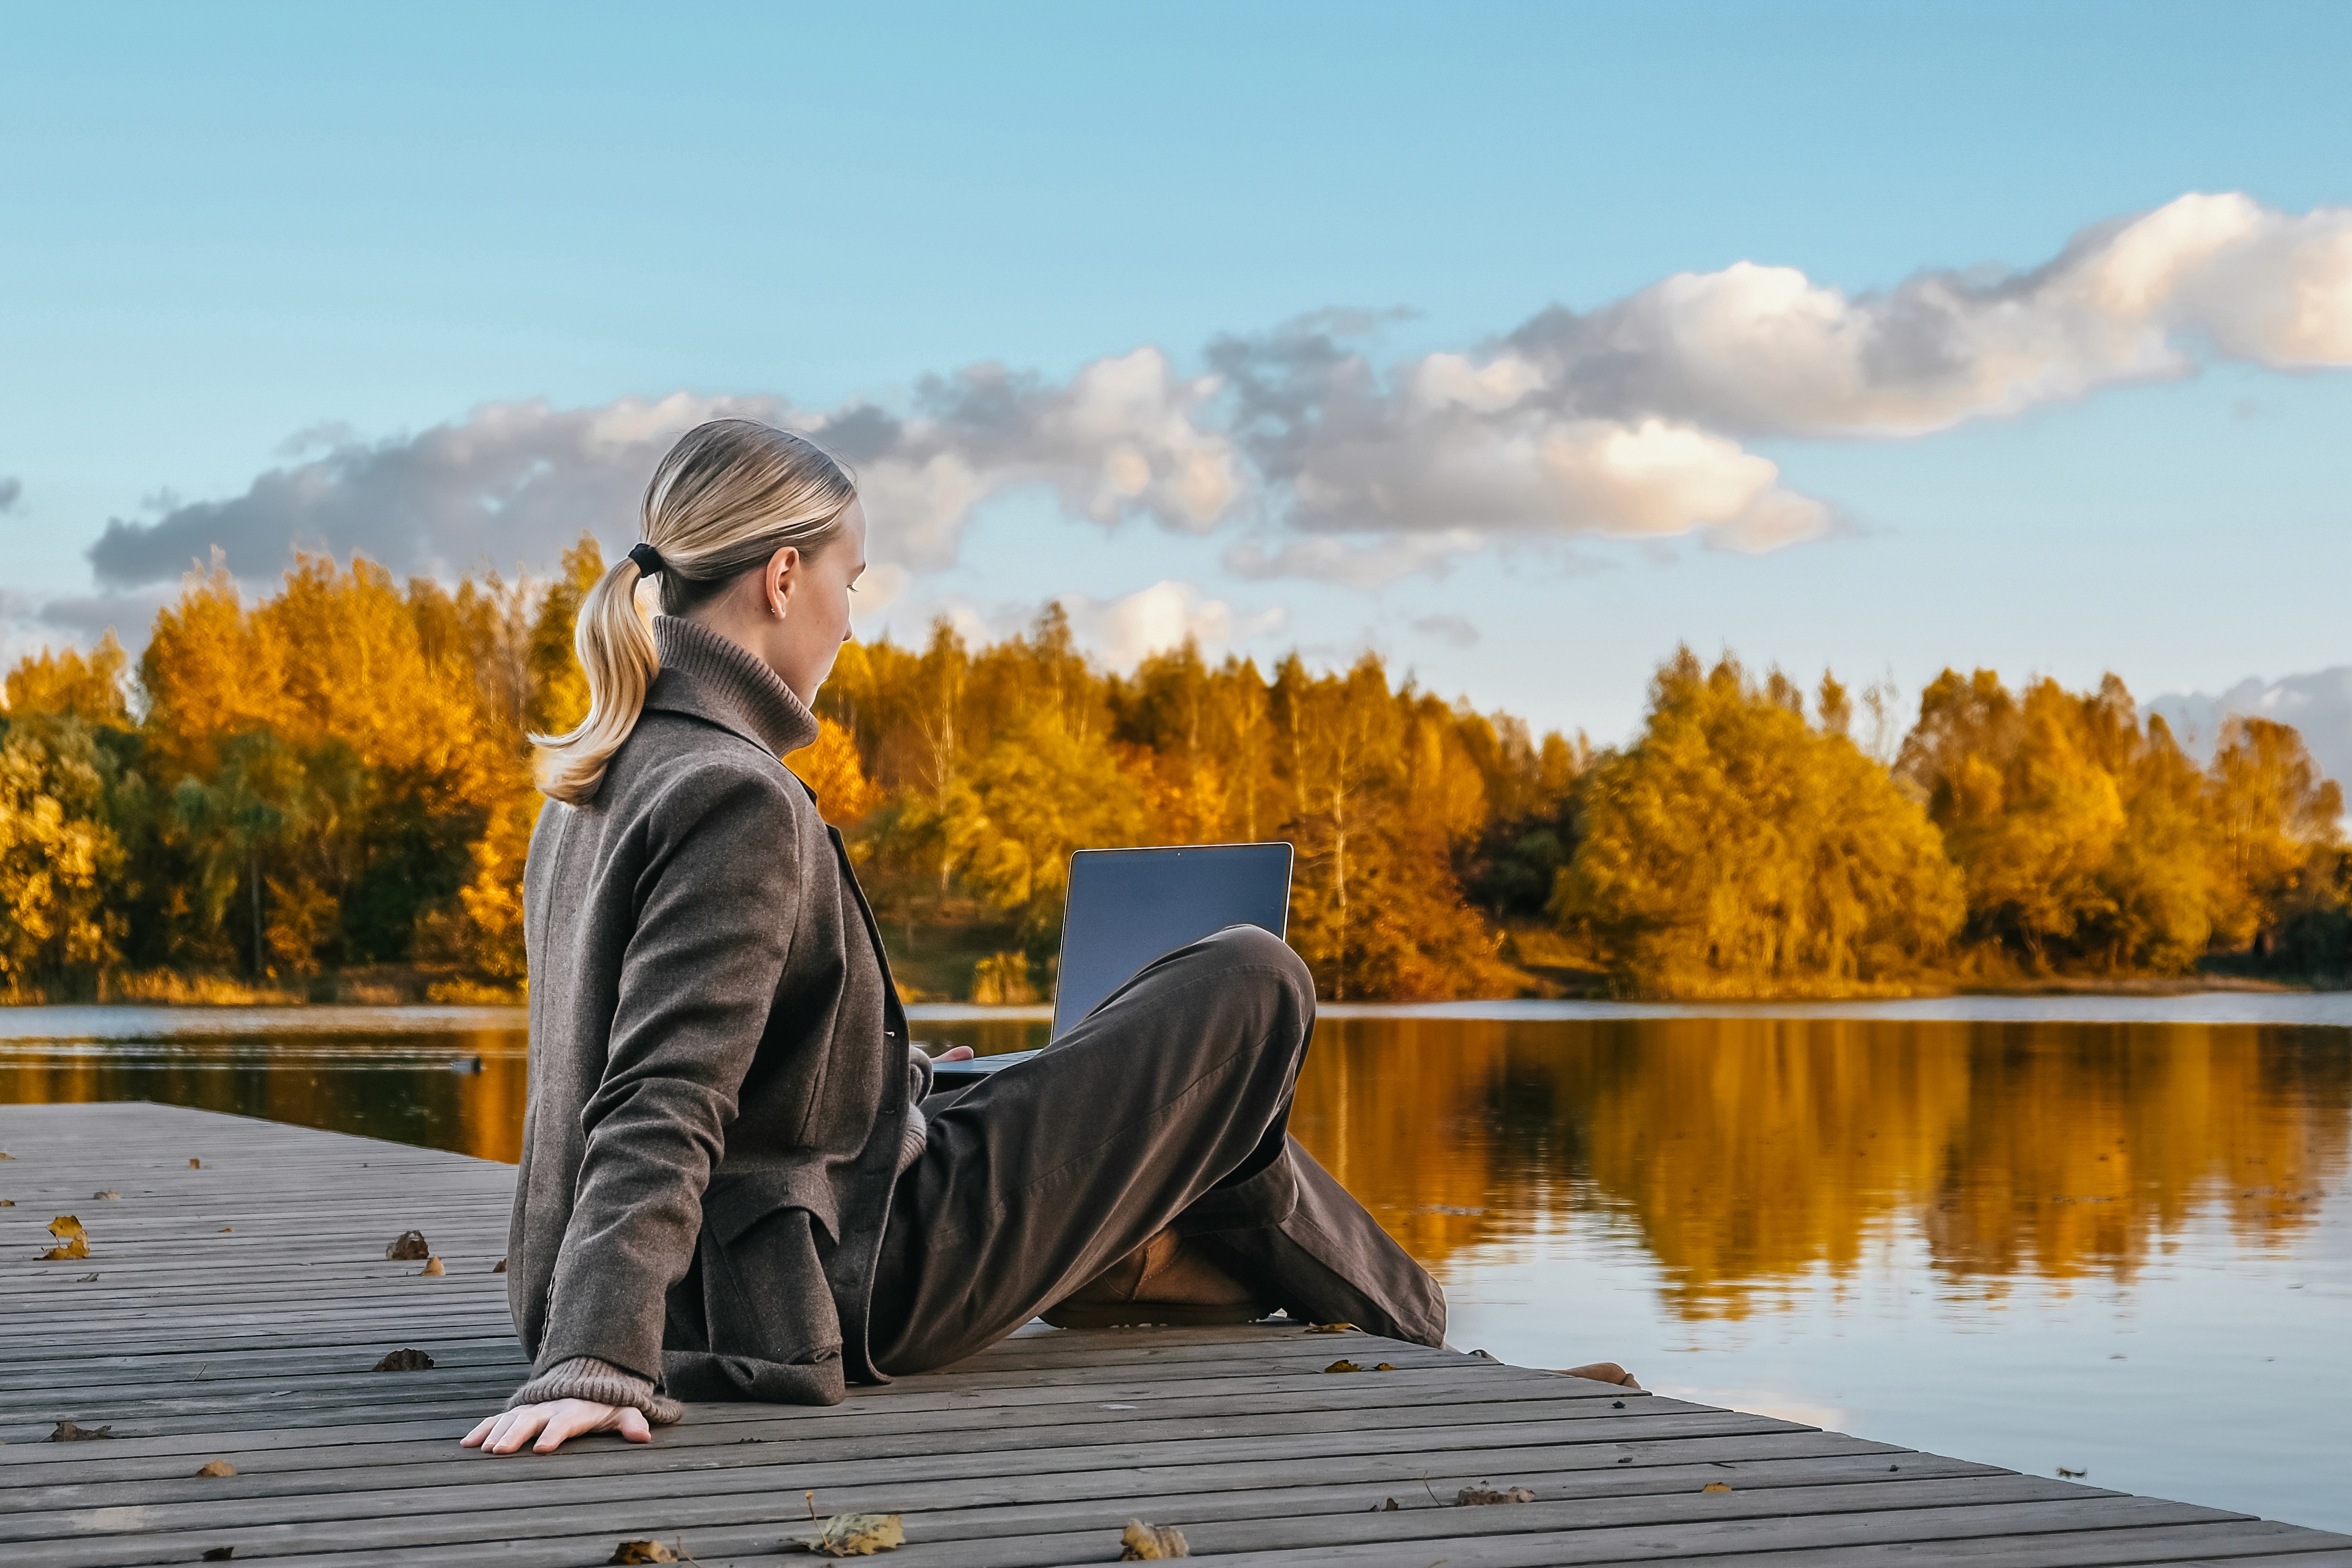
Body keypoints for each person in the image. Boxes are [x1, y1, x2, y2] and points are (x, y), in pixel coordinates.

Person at [463, 419, 1444, 1458]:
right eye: (854, 580)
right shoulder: (730, 792)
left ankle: (1171, 1260)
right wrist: (598, 1352)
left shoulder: (599, 777)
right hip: (822, 1285)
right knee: (1254, 982)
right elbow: (662, 1090)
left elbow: (728, 1061)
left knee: (1158, 1126)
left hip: (744, 1249)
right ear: (785, 576)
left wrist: (899, 1084)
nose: (855, 625)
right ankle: (1414, 1321)